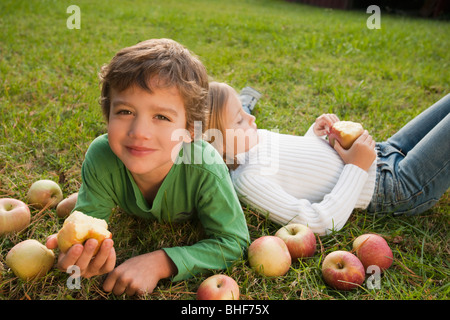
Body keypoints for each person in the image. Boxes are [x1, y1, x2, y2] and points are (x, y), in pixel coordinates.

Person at [46, 40, 249, 296]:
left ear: (189, 130)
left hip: (217, 160)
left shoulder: (206, 166)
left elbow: (233, 242)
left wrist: (161, 262)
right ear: (108, 115)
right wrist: (86, 253)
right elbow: (87, 228)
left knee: (242, 143)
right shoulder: (102, 155)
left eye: (161, 117)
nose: (139, 132)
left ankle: (247, 104)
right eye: (125, 111)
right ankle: (90, 194)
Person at [205, 81, 449, 236]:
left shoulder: (251, 140)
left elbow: (298, 168)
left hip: (385, 152)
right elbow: (318, 222)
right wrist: (356, 166)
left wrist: (315, 134)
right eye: (239, 119)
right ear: (217, 145)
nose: (251, 119)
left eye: (243, 110)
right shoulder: (248, 180)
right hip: (395, 186)